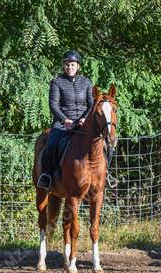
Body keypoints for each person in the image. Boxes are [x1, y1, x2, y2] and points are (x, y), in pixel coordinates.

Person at [36, 51, 94, 190]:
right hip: (63, 124)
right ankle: (47, 176)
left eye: (73, 64)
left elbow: (92, 103)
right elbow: (53, 105)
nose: (70, 67)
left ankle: (106, 174)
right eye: (67, 64)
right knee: (50, 144)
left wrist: (84, 118)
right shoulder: (57, 82)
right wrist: (65, 120)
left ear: (78, 66)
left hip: (82, 124)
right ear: (63, 66)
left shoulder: (86, 82)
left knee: (104, 144)